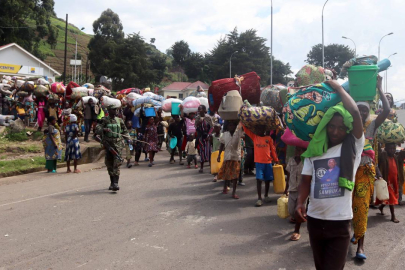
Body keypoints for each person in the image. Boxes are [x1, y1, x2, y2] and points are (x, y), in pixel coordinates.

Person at [295, 80, 364, 270]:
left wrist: (340, 89)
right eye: (332, 126)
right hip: (315, 220)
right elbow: (305, 180)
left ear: (347, 129)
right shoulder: (314, 151)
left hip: (339, 222)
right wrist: (300, 202)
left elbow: (356, 115)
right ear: (325, 126)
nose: (335, 131)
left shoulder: (352, 147)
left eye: (341, 127)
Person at [351, 75, 390, 260]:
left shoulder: (372, 125)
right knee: (347, 207)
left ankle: (360, 246)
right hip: (347, 172)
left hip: (366, 173)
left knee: (362, 206)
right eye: (357, 109)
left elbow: (387, 109)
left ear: (368, 112)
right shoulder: (347, 124)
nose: (361, 112)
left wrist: (379, 88)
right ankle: (351, 234)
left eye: (364, 109)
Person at [243, 125, 279, 207]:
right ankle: (259, 198)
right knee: (259, 179)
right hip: (259, 163)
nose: (260, 131)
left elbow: (272, 149)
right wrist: (242, 121)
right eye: (258, 129)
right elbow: (247, 131)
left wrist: (276, 159)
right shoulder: (255, 137)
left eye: (261, 129)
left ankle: (266, 195)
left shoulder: (268, 138)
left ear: (264, 130)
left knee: (267, 180)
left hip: (268, 162)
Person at [96, 106, 129, 191]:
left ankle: (115, 183)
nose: (115, 111)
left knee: (117, 163)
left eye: (116, 109)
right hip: (108, 144)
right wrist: (104, 129)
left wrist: (128, 138)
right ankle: (112, 182)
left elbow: (125, 130)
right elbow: (97, 129)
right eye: (113, 109)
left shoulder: (119, 120)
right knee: (109, 163)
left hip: (118, 144)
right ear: (109, 110)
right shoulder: (104, 120)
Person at [377, 143, 404, 223]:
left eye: (393, 148)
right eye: (390, 149)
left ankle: (381, 207)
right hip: (387, 181)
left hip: (394, 180)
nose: (392, 150)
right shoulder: (383, 156)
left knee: (389, 197)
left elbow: (402, 157)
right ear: (386, 149)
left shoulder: (395, 157)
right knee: (391, 197)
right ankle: (393, 216)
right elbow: (378, 155)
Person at [217, 121, 243, 199]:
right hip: (227, 157)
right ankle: (225, 187)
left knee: (235, 176)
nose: (231, 127)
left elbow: (241, 126)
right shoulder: (225, 135)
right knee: (226, 174)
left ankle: (234, 192)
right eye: (230, 125)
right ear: (227, 127)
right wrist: (219, 155)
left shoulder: (238, 133)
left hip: (235, 157)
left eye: (233, 125)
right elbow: (222, 145)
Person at [284, 147, 306, 241]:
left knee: (298, 210)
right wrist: (286, 188)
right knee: (291, 210)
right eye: (297, 150)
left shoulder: (306, 161)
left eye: (301, 150)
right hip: (292, 189)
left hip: (302, 191)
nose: (298, 152)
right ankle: (299, 217)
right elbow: (288, 175)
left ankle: (297, 231)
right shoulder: (291, 160)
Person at [195, 105, 214, 173]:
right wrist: (199, 122)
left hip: (207, 137)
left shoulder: (208, 117)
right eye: (198, 109)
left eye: (200, 109)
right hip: (201, 137)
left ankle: (211, 168)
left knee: (209, 152)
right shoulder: (197, 118)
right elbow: (195, 126)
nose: (199, 110)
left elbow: (212, 127)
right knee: (202, 151)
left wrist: (209, 135)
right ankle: (201, 167)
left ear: (204, 110)